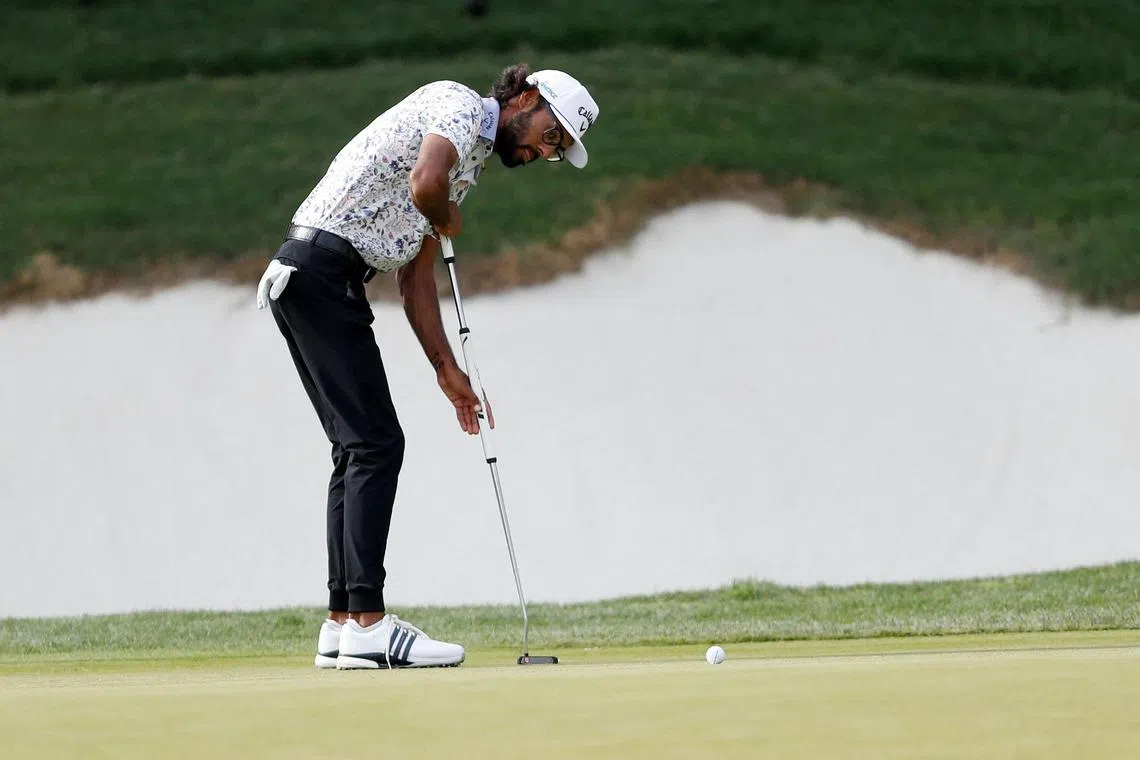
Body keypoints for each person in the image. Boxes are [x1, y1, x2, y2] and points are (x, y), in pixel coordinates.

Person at [255, 64, 600, 669]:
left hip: (315, 278)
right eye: (552, 134)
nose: (546, 151)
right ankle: (368, 623)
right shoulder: (458, 107)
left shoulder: (466, 164)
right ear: (524, 97)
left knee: (357, 447)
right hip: (320, 273)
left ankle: (342, 626)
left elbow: (415, 277)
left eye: (558, 150)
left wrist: (447, 370)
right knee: (376, 446)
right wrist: (444, 216)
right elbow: (423, 185)